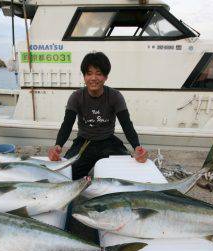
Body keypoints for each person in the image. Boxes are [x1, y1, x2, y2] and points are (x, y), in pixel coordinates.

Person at [48, 52, 148, 180]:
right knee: (65, 174)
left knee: (127, 173)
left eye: (99, 73)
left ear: (106, 77)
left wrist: (137, 147)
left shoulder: (115, 96)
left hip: (109, 141)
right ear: (84, 76)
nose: (93, 78)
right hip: (84, 142)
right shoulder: (76, 97)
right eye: (89, 73)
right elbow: (66, 125)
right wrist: (58, 146)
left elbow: (127, 125)